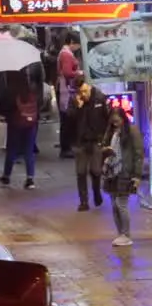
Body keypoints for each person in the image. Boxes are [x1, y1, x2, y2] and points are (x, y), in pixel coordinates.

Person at [102, 107, 143, 246]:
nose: (115, 123)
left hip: (125, 173)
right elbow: (103, 147)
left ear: (122, 118)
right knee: (114, 205)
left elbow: (138, 154)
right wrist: (105, 150)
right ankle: (121, 233)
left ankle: (126, 234)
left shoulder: (132, 131)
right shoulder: (110, 132)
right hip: (112, 173)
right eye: (113, 121)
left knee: (121, 204)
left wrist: (137, 176)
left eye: (117, 120)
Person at [1, 69, 46, 189]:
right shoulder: (32, 90)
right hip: (31, 123)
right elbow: (39, 103)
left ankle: (7, 176)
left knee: (12, 149)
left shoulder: (10, 91)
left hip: (15, 123)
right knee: (29, 150)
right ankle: (30, 178)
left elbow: (4, 106)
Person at [73, 81, 109, 211]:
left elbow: (107, 118)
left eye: (85, 91)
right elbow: (68, 120)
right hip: (81, 141)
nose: (83, 94)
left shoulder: (100, 98)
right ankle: (83, 201)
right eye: (80, 92)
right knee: (81, 172)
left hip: (96, 140)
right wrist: (78, 107)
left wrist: (105, 138)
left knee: (96, 171)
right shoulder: (76, 101)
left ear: (89, 87)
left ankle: (96, 193)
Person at [56, 32, 82, 158]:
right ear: (71, 42)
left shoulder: (64, 53)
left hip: (64, 88)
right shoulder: (66, 54)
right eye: (77, 44)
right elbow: (67, 72)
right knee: (66, 119)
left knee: (65, 119)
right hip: (65, 90)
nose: (78, 47)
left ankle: (66, 146)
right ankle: (65, 148)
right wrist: (78, 73)